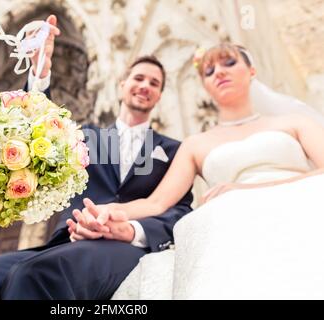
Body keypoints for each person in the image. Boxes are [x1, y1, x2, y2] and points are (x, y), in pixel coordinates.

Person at [0, 15, 193, 300]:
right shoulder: (82, 137)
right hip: (67, 243)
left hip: (126, 248)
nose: (145, 86)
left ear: (159, 96)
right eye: (139, 78)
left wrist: (131, 230)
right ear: (121, 85)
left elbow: (178, 211)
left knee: (32, 277)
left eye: (154, 83)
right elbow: (37, 129)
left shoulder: (172, 149)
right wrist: (40, 72)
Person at [79, 43, 324, 299]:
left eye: (229, 63)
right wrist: (107, 211)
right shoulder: (195, 145)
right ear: (204, 85)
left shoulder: (293, 123)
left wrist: (247, 190)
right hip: (232, 222)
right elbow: (157, 202)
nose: (219, 72)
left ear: (251, 71)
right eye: (209, 71)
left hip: (304, 203)